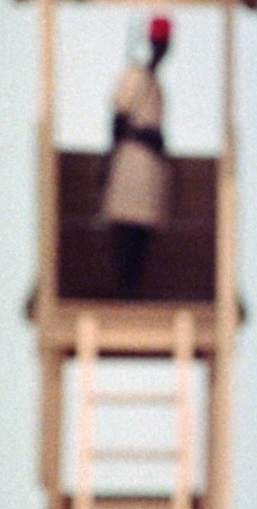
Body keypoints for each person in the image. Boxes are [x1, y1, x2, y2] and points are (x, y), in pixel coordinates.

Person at [100, 14, 173, 298]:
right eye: (157, 43)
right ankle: (123, 290)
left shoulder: (156, 83)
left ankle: (132, 289)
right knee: (127, 228)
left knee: (142, 232)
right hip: (131, 162)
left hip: (150, 168)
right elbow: (118, 119)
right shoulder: (135, 76)